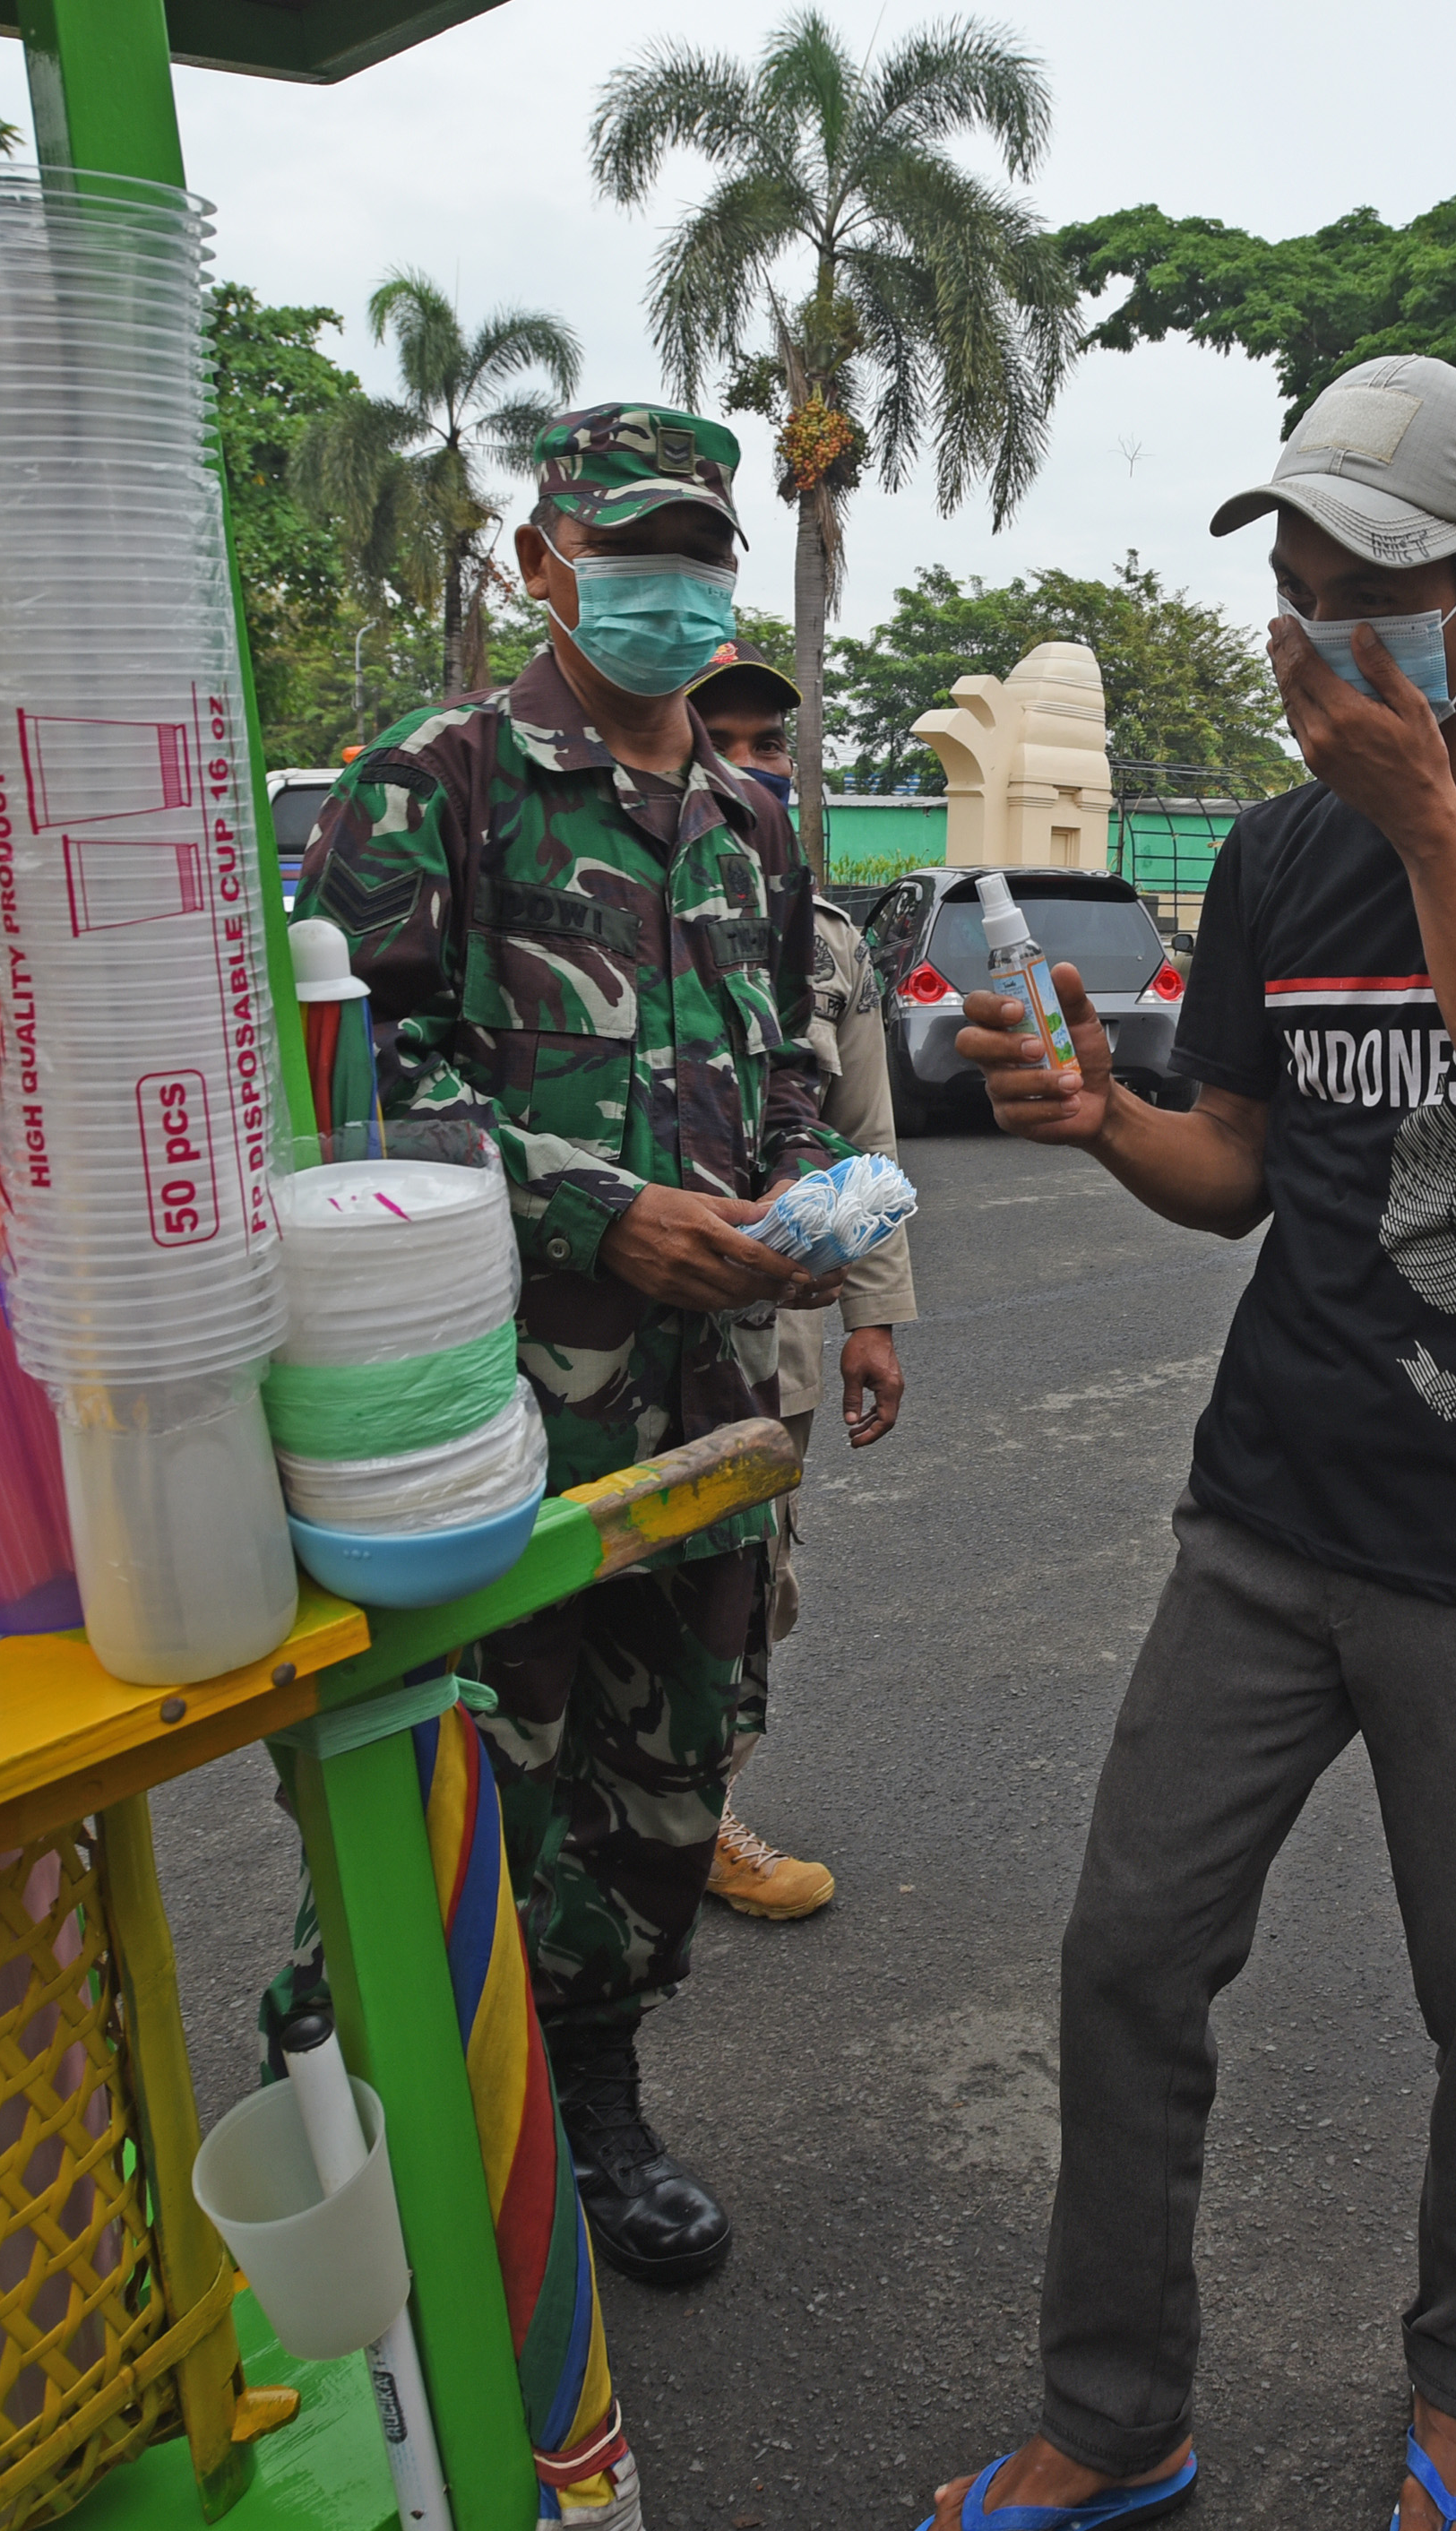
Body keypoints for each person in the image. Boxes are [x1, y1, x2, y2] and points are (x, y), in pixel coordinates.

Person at [925, 354, 1456, 2531]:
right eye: (1293, 581)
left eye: (1369, 579)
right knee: (1125, 1954)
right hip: (1263, 1516)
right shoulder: (1279, 857)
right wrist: (1105, 1118)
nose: (1316, 625)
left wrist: (1426, 823)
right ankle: (1114, 2418)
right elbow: (1239, 1172)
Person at [296, 404, 843, 2287]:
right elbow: (350, 1080)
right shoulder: (433, 779)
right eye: (634, 554)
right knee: (463, 1759)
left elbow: (779, 1048)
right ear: (542, 561)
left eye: (702, 557)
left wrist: (795, 1202)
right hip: (490, 1404)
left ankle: (592, 2099)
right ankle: (356, 2094)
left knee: (671, 1768)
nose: (673, 593)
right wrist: (589, 1205)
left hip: (710, 1404)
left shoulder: (757, 807)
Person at [677, 638, 912, 1922]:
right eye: (730, 739)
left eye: (775, 746)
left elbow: (869, 1140)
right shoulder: (616, 906)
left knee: (748, 1579)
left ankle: (704, 1810)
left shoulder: (825, 939)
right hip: (619, 1340)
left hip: (777, 1349)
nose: (757, 767)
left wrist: (874, 1317)